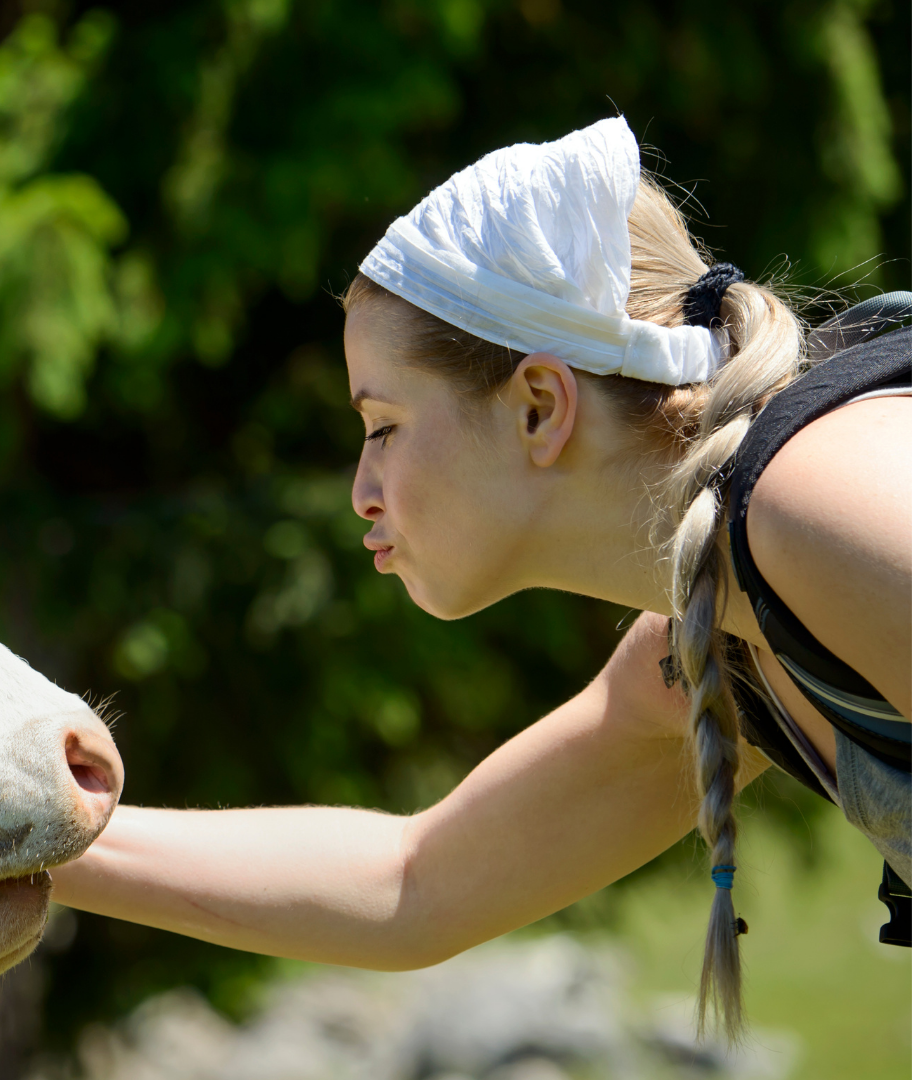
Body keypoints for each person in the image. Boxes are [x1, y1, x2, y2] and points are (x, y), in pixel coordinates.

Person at [48, 118, 911, 1037]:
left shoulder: (815, 505)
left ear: (539, 407)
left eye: (383, 426)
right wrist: (22, 834)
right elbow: (415, 883)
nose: (360, 491)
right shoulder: (713, 631)